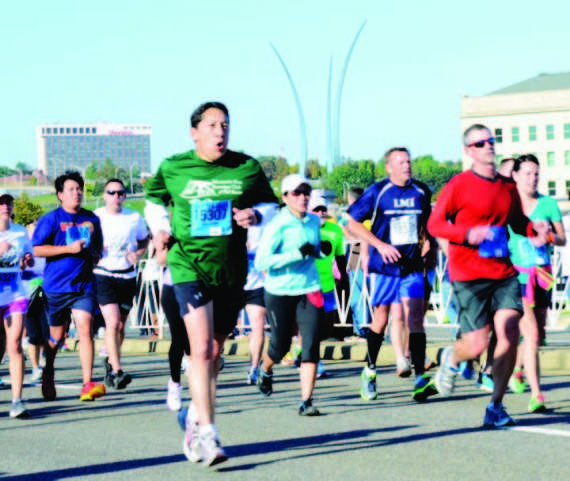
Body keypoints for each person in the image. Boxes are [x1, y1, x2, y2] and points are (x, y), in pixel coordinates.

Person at [144, 101, 277, 467]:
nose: (221, 131)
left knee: (215, 354)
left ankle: (193, 417)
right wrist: (160, 228)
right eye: (213, 125)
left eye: (226, 125)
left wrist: (255, 214)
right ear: (195, 131)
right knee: (200, 349)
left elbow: (272, 205)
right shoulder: (174, 167)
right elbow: (154, 201)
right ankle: (208, 432)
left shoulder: (245, 167)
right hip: (187, 266)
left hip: (230, 270)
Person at [428, 124, 549, 427]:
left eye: (491, 141)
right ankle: (452, 358)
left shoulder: (507, 186)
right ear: (469, 151)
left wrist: (536, 230)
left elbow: (519, 221)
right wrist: (468, 233)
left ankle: (496, 404)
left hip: (504, 272)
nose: (488, 147)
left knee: (509, 332)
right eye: (480, 143)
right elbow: (435, 224)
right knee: (478, 344)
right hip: (468, 275)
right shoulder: (458, 185)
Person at [347, 147, 437, 403]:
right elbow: (351, 223)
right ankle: (370, 370)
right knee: (381, 320)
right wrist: (379, 245)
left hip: (411, 266)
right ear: (389, 167)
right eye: (400, 162)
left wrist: (429, 242)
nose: (406, 166)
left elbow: (427, 222)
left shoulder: (420, 191)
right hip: (385, 266)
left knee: (416, 319)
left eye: (408, 161)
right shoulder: (378, 192)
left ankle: (420, 378)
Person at [32, 171, 106, 402]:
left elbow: (98, 251)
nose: (77, 193)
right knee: (58, 336)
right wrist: (68, 250)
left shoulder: (92, 219)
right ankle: (48, 371)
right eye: (72, 189)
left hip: (83, 285)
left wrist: (93, 254)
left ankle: (87, 384)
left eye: (79, 189)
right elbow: (36, 249)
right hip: (56, 287)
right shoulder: (51, 219)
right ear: (60, 195)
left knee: (85, 327)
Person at [255, 174, 325, 416]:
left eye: (306, 193)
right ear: (285, 198)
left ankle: (306, 400)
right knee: (280, 345)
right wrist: (296, 253)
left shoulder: (314, 221)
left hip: (309, 287)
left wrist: (321, 252)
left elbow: (313, 251)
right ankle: (266, 369)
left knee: (312, 342)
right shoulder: (277, 225)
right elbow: (261, 261)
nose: (303, 198)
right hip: (280, 290)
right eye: (297, 193)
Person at [507, 154, 565, 412]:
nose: (533, 178)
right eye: (528, 173)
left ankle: (519, 368)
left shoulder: (549, 203)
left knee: (538, 336)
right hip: (517, 277)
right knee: (530, 333)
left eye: (536, 173)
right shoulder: (507, 206)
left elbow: (563, 238)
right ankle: (538, 395)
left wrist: (548, 235)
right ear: (516, 176)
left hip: (542, 276)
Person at [94, 178, 149, 390]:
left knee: (121, 327)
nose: (116, 196)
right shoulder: (97, 216)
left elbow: (144, 239)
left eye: (120, 193)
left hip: (127, 276)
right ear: (105, 195)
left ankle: (109, 359)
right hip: (103, 273)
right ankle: (117, 370)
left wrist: (138, 253)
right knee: (113, 323)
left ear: (125, 195)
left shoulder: (134, 217)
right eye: (112, 192)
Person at [0, 193, 34, 418]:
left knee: (15, 344)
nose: (5, 207)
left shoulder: (20, 231)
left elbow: (29, 256)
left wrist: (27, 260)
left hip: (15, 293)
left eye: (8, 203)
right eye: (1, 203)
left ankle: (17, 400)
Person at [242, 203, 278, 385]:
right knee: (219, 327)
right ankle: (217, 356)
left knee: (257, 325)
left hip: (256, 282)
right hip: (232, 281)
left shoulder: (266, 209)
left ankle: (254, 367)